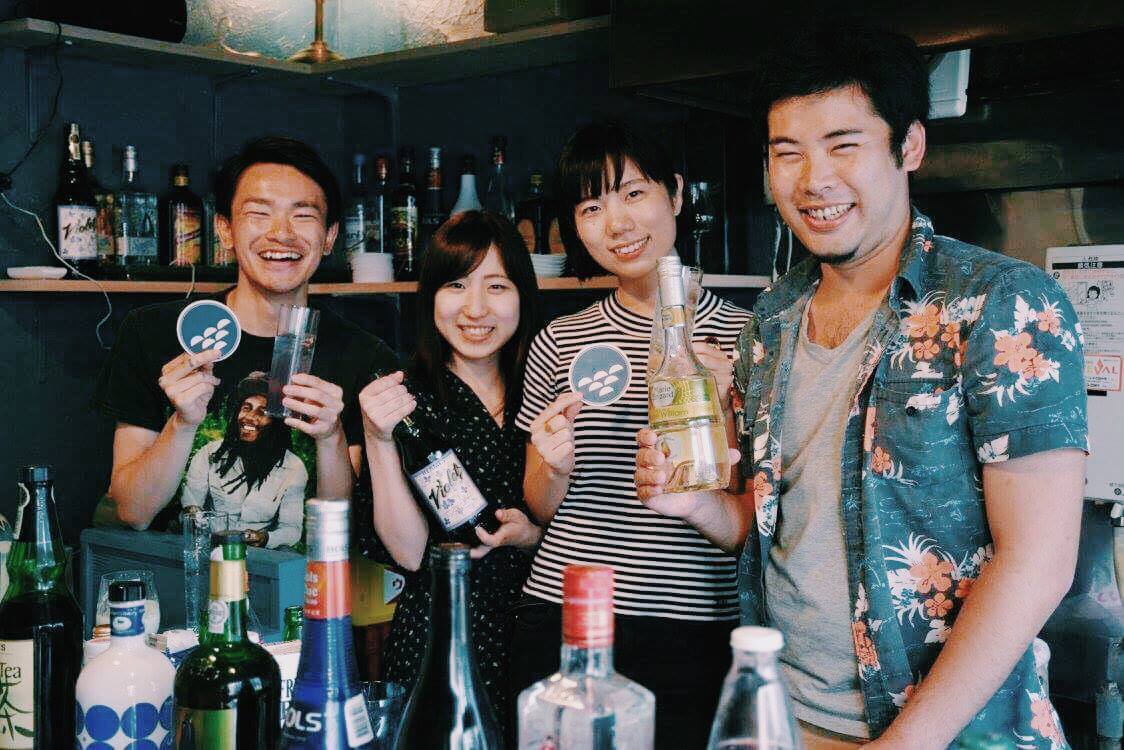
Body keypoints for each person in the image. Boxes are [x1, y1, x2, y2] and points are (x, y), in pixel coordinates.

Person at [635, 27, 1088, 749]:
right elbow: (767, 524)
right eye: (787, 152)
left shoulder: (1002, 305)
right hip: (786, 720)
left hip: (948, 736)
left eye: (843, 145)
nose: (813, 180)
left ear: (909, 147)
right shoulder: (772, 319)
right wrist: (694, 505)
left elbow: (1039, 561)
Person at [507, 120, 751, 747]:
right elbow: (539, 505)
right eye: (591, 207)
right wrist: (554, 465)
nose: (616, 223)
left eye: (634, 193)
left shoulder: (750, 336)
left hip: (697, 621)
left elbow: (752, 514)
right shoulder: (560, 340)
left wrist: (723, 407)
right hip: (565, 612)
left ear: (676, 193)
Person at [93, 136, 397, 540]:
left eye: (302, 215)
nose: (281, 233)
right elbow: (131, 510)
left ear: (329, 237)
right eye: (259, 213)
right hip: (180, 577)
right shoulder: (152, 333)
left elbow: (339, 533)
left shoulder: (362, 354)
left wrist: (331, 435)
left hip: (299, 580)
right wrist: (182, 423)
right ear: (225, 230)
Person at [357, 210, 542, 727]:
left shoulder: (548, 388)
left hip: (537, 632)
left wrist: (532, 536)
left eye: (497, 286)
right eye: (456, 285)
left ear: (523, 296)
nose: (475, 308)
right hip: (440, 636)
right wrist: (377, 439)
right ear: (431, 297)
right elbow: (409, 552)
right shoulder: (402, 398)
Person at [180, 372, 306, 548]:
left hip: (259, 554)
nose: (249, 417)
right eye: (246, 408)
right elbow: (191, 503)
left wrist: (264, 538)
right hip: (212, 547)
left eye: (262, 412)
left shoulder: (293, 467)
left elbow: (291, 529)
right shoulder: (209, 454)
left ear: (277, 423)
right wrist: (193, 514)